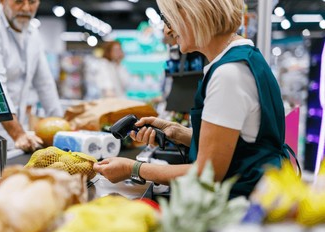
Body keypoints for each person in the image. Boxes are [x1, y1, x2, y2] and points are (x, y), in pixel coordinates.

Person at [94, 0, 294, 199]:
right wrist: (178, 133)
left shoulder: (228, 74)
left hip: (240, 206)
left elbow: (207, 174)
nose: (168, 31)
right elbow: (239, 144)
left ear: (191, 14)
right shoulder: (244, 58)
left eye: (169, 19)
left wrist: (134, 168)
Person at [0, 0, 63, 152]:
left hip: (19, 132)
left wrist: (61, 130)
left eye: (32, 2)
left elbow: (45, 84)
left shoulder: (33, 33)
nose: (26, 8)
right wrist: (17, 133)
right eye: (19, 1)